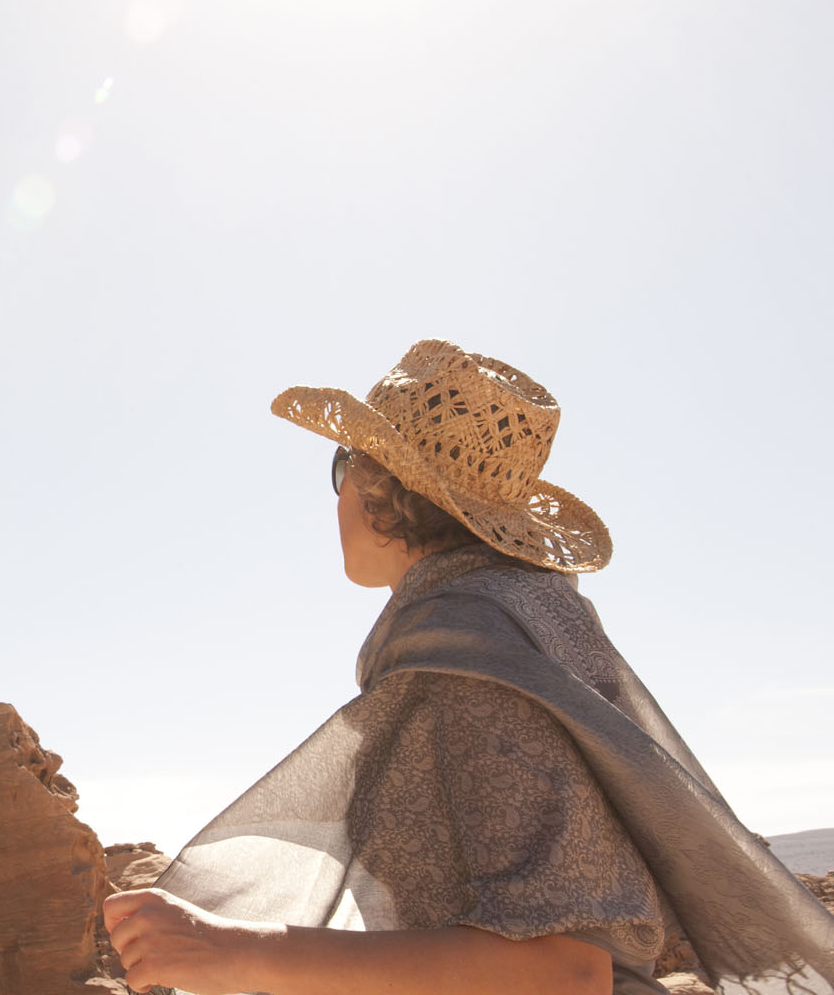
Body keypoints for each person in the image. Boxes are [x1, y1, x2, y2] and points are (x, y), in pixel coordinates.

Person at [103, 340, 834, 995]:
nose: (340, 497)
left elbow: (566, 970)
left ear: (380, 488)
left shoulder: (467, 651)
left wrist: (232, 951)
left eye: (344, 466)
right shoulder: (523, 617)